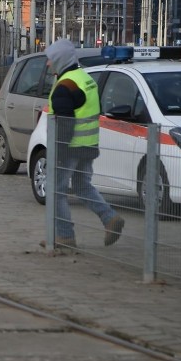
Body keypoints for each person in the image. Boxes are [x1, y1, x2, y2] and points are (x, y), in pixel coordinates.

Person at [44, 38, 124, 249]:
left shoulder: (65, 86)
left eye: (50, 60)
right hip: (88, 145)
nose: (48, 64)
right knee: (81, 186)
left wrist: (58, 152)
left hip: (69, 147)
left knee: (55, 190)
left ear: (60, 61)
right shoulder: (85, 78)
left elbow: (64, 124)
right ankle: (110, 218)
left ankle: (64, 236)